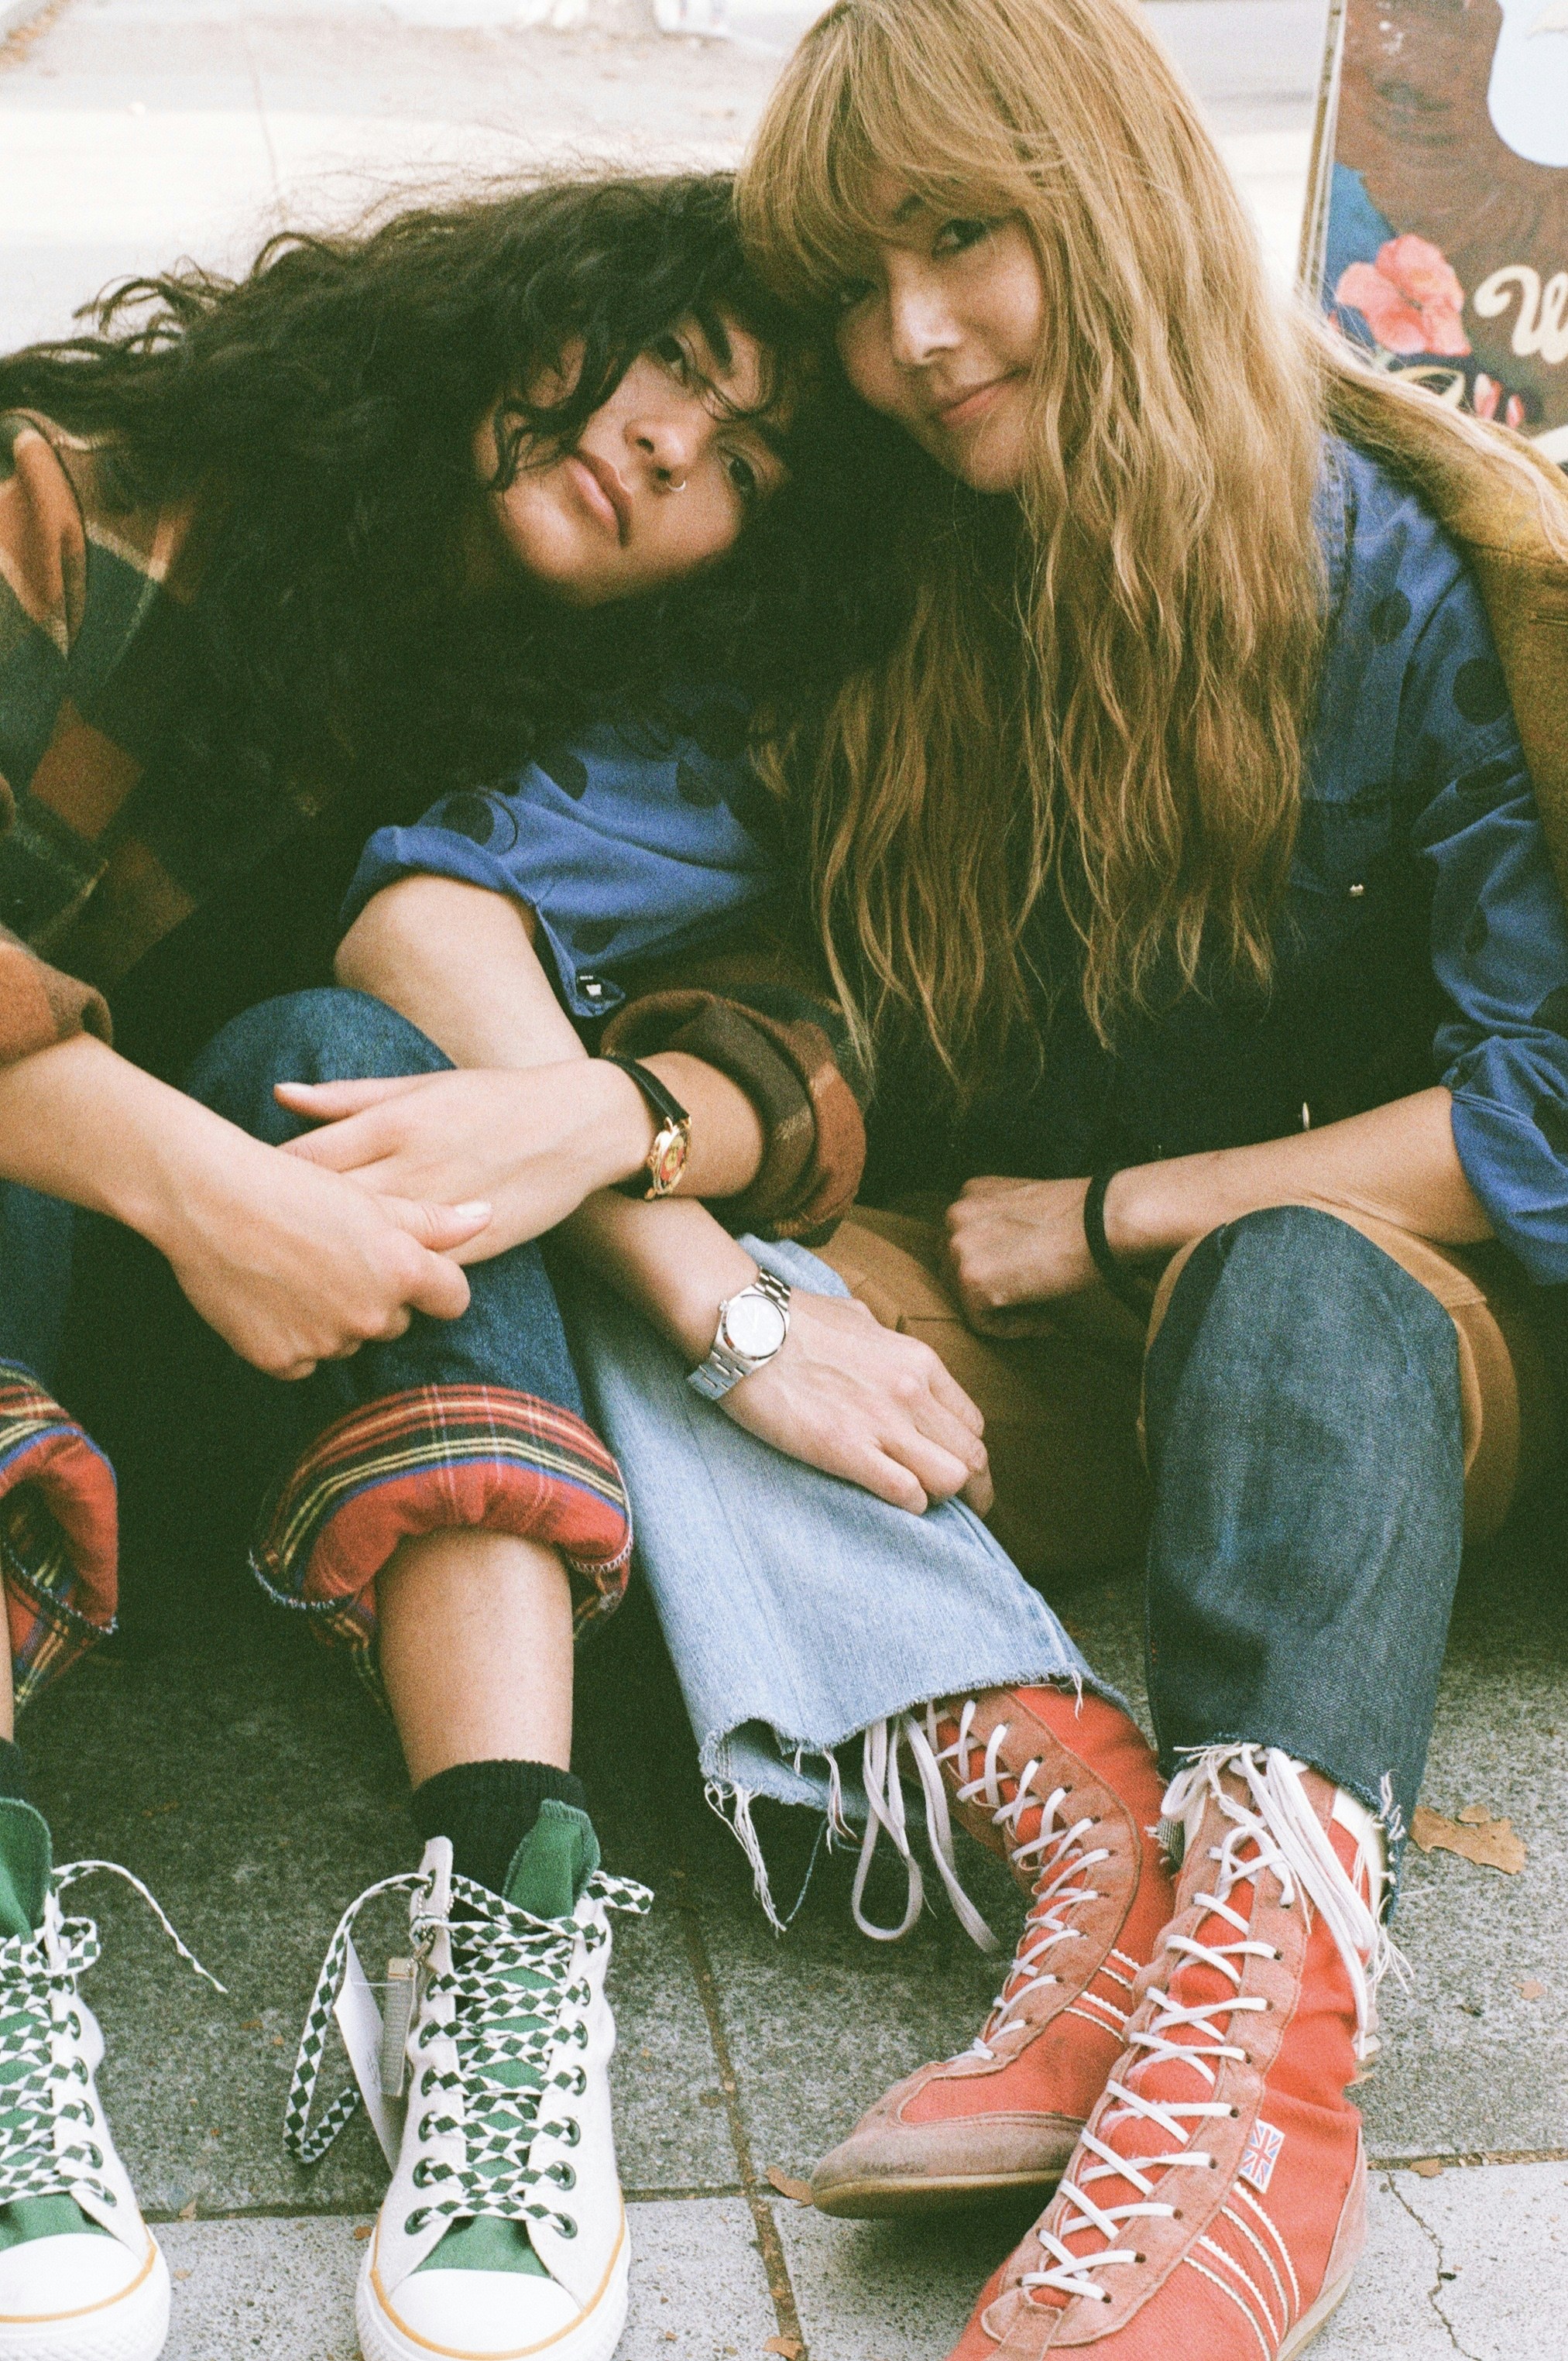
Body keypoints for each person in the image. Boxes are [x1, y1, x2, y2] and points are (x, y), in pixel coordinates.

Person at [303, 3, 1568, 2356]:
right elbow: (426, 912)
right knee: (592, 1245)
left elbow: (1543, 1109)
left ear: (1105, 199)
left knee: (1304, 1268)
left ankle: (1251, 2052)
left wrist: (1109, 1214)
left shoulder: (1388, 567)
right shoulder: (888, 580)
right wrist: (712, 1274)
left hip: (1371, 1348)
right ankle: (1084, 1850)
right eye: (856, 281)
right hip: (986, 1376)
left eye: (961, 236)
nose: (905, 339)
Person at [0, 172, 840, 2361]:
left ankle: (504, 1914)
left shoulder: (564, 720)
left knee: (365, 1062)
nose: (671, 448)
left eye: (743, 465)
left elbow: (820, 1040)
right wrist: (187, 1179)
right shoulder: (94, 516)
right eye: (671, 365)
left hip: (244, 1381)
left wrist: (635, 1139)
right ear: (528, 312)